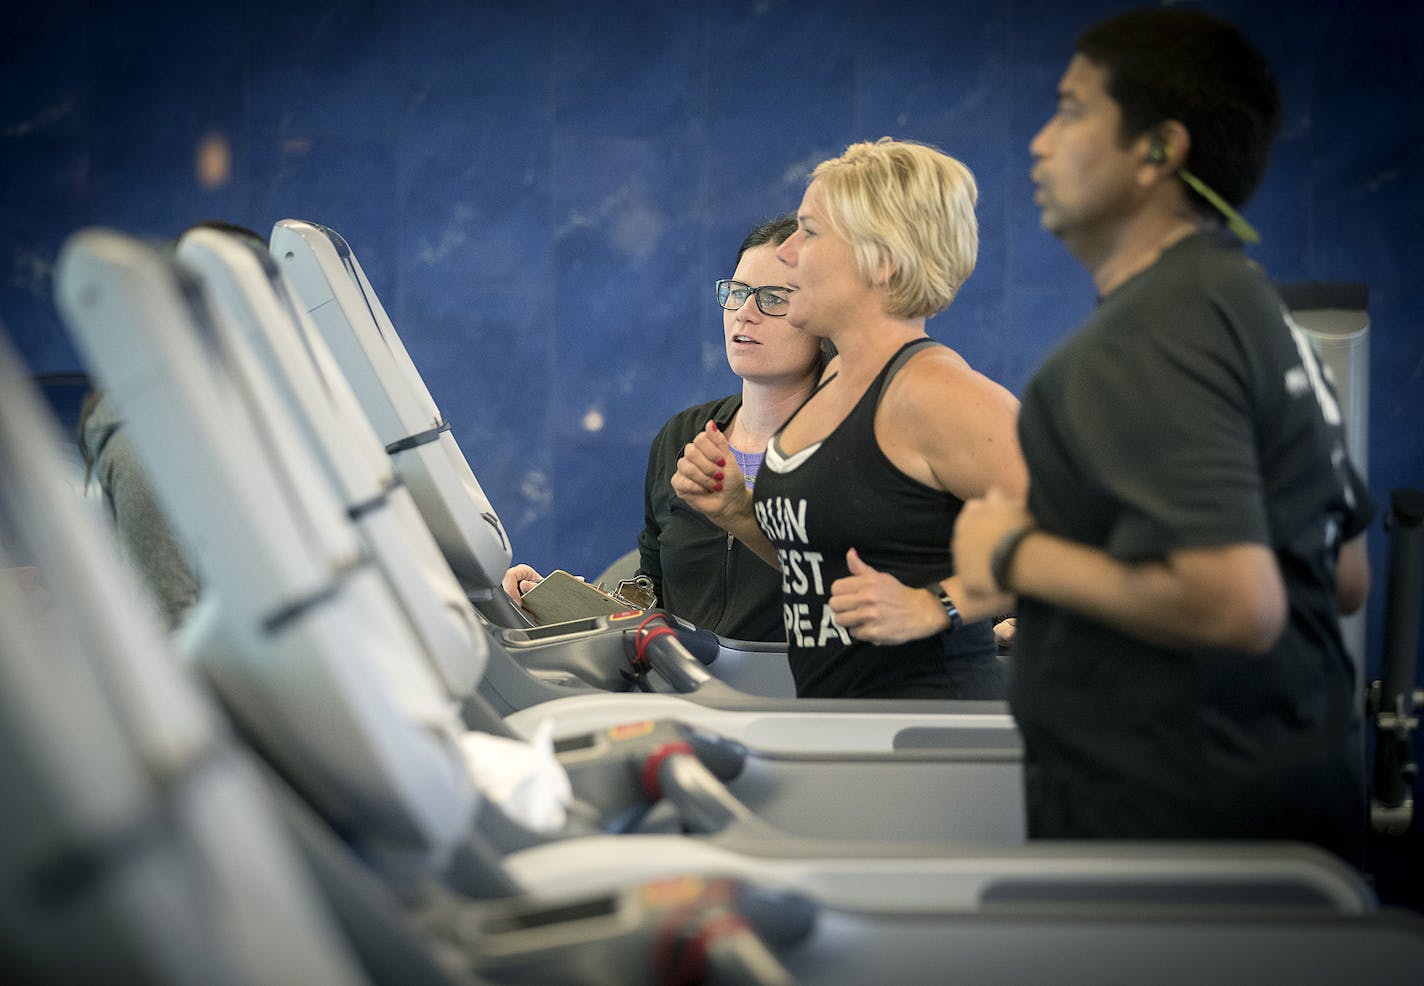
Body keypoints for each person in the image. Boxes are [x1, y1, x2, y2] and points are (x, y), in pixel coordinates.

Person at [951, 9, 1373, 863]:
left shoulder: (1150, 335)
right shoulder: (1248, 306)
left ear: (1158, 150)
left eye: (1071, 111)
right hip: (1280, 807)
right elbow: (1344, 574)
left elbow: (1236, 602)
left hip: (1174, 833)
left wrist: (1011, 556)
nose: (1039, 143)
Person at [673, 138, 1027, 699]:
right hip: (844, 721)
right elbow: (825, 569)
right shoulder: (836, 381)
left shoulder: (933, 392)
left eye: (809, 232)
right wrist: (742, 513)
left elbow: (1075, 533)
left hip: (925, 730)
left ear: (880, 260)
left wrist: (933, 605)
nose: (787, 253)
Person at [503, 215, 824, 640]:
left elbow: (846, 580)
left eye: (773, 297)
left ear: (825, 317)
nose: (745, 313)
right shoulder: (685, 434)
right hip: (686, 691)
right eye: (737, 293)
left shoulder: (845, 442)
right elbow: (653, 586)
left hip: (796, 693)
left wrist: (742, 513)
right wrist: (577, 605)